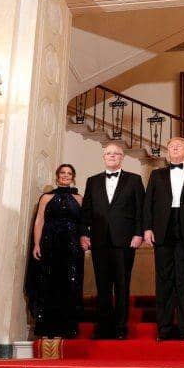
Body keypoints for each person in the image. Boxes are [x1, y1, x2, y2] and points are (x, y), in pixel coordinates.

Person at [143, 137, 184, 341]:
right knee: (164, 281)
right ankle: (163, 329)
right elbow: (148, 204)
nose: (173, 148)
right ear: (167, 152)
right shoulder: (156, 175)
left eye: (178, 146)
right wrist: (147, 228)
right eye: (171, 146)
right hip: (163, 230)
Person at [79, 144, 145, 340]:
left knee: (122, 285)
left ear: (122, 157)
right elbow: (86, 211)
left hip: (125, 240)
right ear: (103, 157)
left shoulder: (134, 180)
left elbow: (140, 210)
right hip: (99, 241)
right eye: (108, 153)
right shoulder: (93, 181)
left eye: (116, 153)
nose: (112, 156)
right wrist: (84, 233)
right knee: (102, 285)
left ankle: (120, 327)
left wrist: (138, 234)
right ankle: (103, 327)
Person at [30, 164, 84, 338]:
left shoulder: (79, 198)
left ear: (73, 177)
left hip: (72, 246)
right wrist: (36, 244)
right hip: (50, 244)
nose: (65, 176)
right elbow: (39, 221)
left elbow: (84, 223)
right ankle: (47, 328)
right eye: (63, 173)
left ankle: (68, 327)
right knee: (49, 282)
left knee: (70, 282)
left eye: (69, 173)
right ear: (57, 176)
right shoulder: (46, 197)